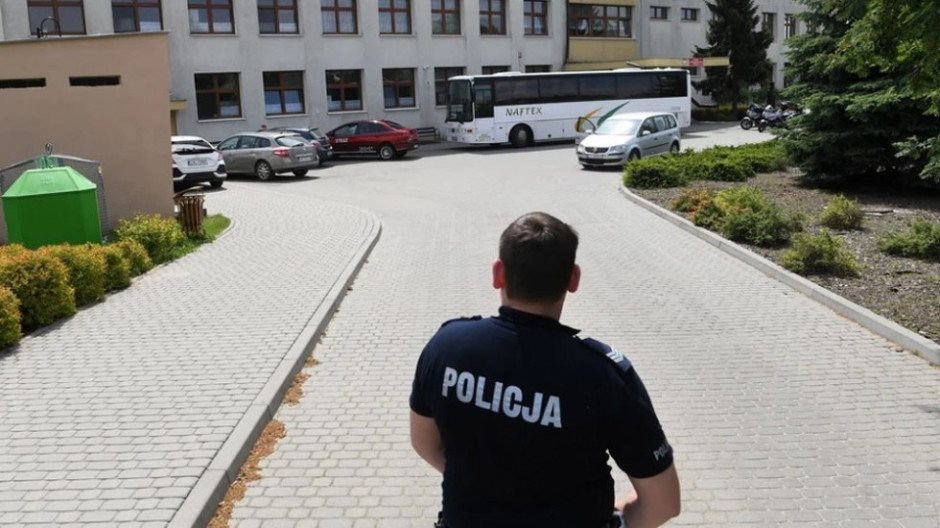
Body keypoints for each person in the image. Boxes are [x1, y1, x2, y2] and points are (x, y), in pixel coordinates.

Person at [410, 212, 681, 528]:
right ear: (573, 279)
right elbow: (663, 503)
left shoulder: (446, 347)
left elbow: (423, 442)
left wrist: (487, 486)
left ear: (498, 273)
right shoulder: (603, 375)